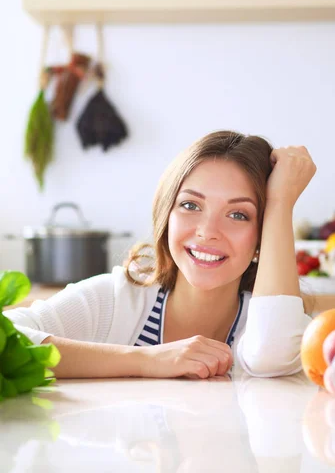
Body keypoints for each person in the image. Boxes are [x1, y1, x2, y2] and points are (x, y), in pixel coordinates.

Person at [5, 130, 317, 380]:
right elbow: (7, 339)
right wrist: (148, 360)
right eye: (190, 205)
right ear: (166, 214)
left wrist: (280, 203)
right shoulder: (115, 300)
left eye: (238, 215)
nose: (207, 231)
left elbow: (271, 356)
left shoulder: (271, 321)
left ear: (264, 234)